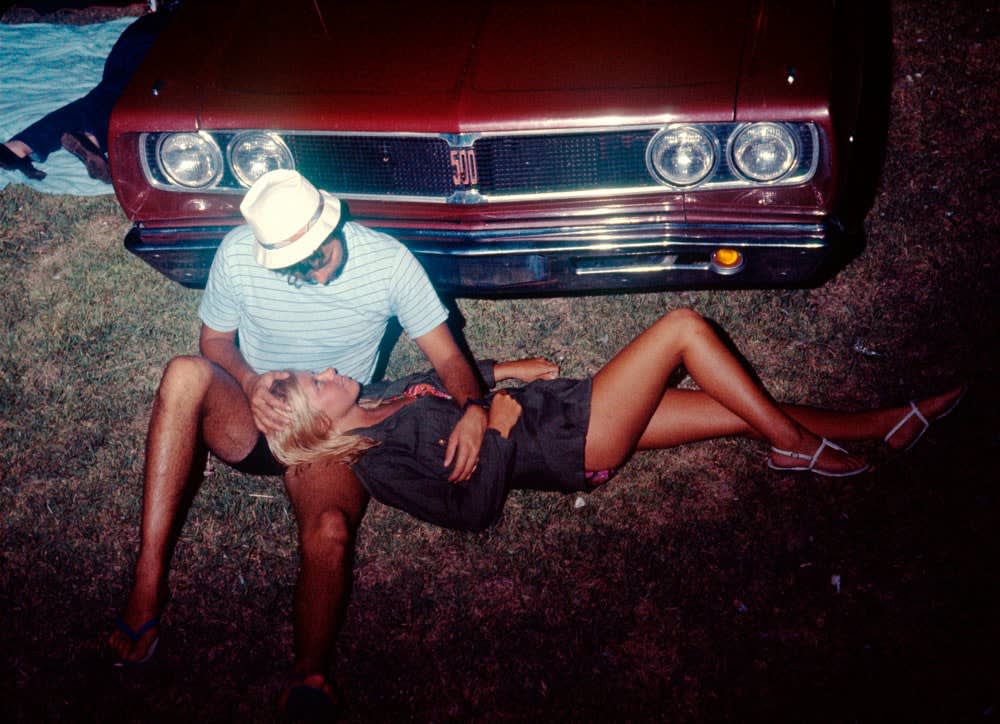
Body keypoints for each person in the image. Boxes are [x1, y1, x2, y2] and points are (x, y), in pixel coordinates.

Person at [107, 169, 493, 718]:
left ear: (331, 222)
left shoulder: (388, 261)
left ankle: (309, 674)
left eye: (317, 256)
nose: (311, 273)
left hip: (334, 433)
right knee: (183, 374)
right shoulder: (239, 254)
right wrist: (246, 381)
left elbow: (450, 357)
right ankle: (147, 581)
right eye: (293, 265)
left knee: (330, 531)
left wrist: (474, 409)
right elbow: (213, 341)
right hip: (255, 415)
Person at [267, 308, 966, 533]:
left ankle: (886, 422)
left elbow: (437, 383)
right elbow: (473, 511)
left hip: (566, 408)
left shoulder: (381, 393)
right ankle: (796, 450)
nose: (330, 372)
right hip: (576, 437)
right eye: (316, 382)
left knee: (733, 410)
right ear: (315, 422)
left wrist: (508, 372)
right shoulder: (383, 464)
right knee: (682, 328)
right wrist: (503, 425)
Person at [0, 2, 179, 183]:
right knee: (140, 96)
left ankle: (18, 147)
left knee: (112, 93)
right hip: (166, 36)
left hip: (140, 33)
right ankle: (92, 137)